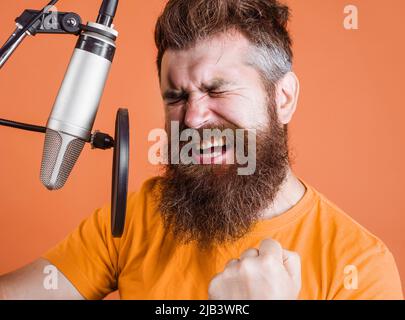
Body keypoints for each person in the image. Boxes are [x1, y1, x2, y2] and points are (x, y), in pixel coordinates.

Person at [0, 0, 402, 300]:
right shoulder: (135, 220)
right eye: (175, 96)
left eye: (216, 89)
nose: (192, 119)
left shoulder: (360, 266)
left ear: (283, 97)